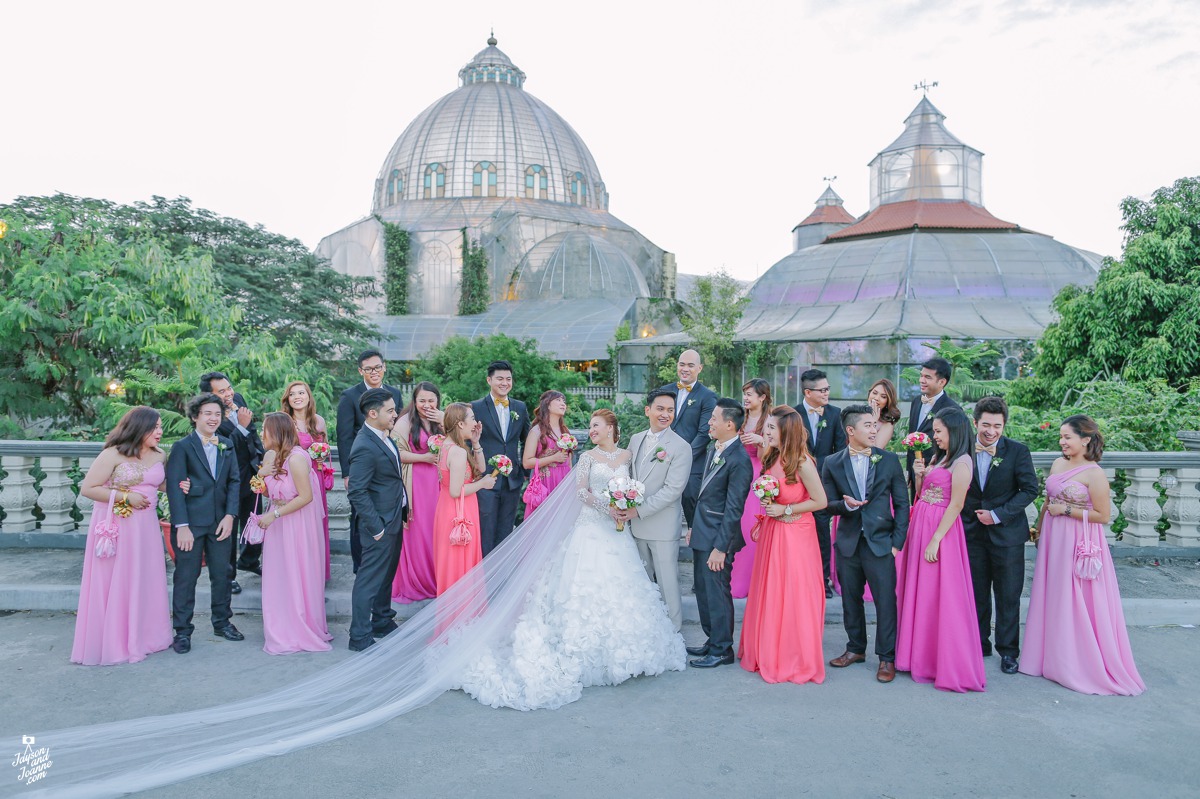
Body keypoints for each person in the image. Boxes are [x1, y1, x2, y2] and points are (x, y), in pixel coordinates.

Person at [457, 409, 686, 709]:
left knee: (623, 587)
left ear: (610, 428)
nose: (591, 431)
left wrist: (626, 503)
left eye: (596, 426)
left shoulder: (628, 456)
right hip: (590, 528)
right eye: (590, 426)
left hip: (618, 534)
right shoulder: (587, 458)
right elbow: (581, 492)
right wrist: (609, 506)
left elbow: (635, 488)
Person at [1020, 416, 1145, 695]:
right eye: (1061, 437)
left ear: (1085, 439)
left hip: (1079, 539)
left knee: (1075, 596)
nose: (1062, 442)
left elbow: (1103, 516)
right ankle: (1047, 656)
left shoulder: (1094, 473)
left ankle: (1074, 662)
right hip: (1053, 537)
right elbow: (1049, 501)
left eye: (1068, 437)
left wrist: (1065, 511)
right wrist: (1039, 528)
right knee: (1052, 593)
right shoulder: (1058, 463)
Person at [71, 406, 173, 665]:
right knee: (118, 578)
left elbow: (158, 483)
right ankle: (116, 640)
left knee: (145, 576)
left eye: (161, 427)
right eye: (155, 428)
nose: (160, 432)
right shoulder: (112, 454)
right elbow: (88, 489)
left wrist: (178, 485)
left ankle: (147, 637)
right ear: (139, 428)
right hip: (119, 524)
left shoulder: (161, 455)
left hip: (146, 528)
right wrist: (127, 496)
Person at [895, 407, 986, 692]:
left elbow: (956, 504)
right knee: (919, 590)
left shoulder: (962, 462)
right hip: (921, 521)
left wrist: (936, 539)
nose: (934, 436)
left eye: (938, 431)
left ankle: (940, 661)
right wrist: (919, 475)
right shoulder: (939, 457)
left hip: (941, 528)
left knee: (939, 593)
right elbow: (922, 493)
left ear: (954, 431)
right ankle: (916, 656)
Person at [739, 405, 829, 684]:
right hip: (772, 532)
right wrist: (769, 504)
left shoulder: (802, 462)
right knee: (770, 589)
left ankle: (792, 656)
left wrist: (786, 511)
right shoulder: (771, 456)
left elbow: (820, 501)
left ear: (785, 432)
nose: (765, 432)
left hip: (796, 534)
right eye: (765, 427)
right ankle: (766, 649)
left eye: (770, 429)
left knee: (793, 593)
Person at [821, 404, 910, 683]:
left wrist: (897, 542)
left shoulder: (889, 459)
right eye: (868, 426)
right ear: (850, 430)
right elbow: (825, 506)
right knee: (850, 599)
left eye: (875, 425)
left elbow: (902, 503)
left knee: (885, 601)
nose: (874, 430)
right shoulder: (832, 462)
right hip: (848, 543)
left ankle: (886, 657)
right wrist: (844, 505)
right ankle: (855, 648)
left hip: (881, 543)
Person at [164, 393, 245, 654]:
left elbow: (234, 481)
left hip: (221, 522)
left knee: (222, 574)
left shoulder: (227, 444)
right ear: (196, 416)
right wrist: (182, 526)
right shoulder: (182, 447)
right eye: (208, 413)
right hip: (191, 524)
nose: (213, 418)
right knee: (186, 577)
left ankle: (222, 622)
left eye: (218, 414)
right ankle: (183, 631)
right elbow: (175, 490)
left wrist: (231, 516)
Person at [962, 396, 1038, 674]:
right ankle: (979, 643)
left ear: (1004, 425)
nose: (990, 431)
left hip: (1007, 536)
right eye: (985, 425)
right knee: (977, 593)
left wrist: (997, 515)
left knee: (1008, 596)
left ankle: (1008, 652)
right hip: (971, 534)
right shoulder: (964, 450)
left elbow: (1030, 490)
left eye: (997, 426)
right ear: (975, 423)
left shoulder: (1018, 451)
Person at [254, 413, 332, 655]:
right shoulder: (269, 456)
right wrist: (260, 477)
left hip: (296, 524)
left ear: (276, 432)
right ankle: (280, 626)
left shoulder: (298, 458)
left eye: (264, 430)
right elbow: (269, 493)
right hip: (276, 526)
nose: (261, 434)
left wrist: (274, 515)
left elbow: (306, 497)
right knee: (278, 576)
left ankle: (301, 627)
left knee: (297, 573)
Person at [687, 398, 753, 669]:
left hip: (718, 539)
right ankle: (712, 639)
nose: (709, 422)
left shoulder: (739, 459)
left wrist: (721, 548)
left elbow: (734, 508)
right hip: (703, 532)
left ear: (729, 424)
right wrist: (694, 527)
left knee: (717, 593)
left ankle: (722, 649)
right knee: (703, 591)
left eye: (714, 418)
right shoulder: (717, 449)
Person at [623, 387, 693, 631]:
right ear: (648, 410)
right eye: (660, 409)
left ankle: (673, 634)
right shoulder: (635, 439)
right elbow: (629, 476)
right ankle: (649, 629)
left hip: (662, 526)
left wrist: (637, 511)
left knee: (667, 584)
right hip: (636, 526)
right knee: (643, 582)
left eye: (670, 410)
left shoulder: (681, 446)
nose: (665, 414)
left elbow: (673, 491)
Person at [346, 388, 409, 651]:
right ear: (373, 414)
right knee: (369, 579)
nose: (395, 414)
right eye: (391, 410)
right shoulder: (363, 445)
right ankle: (359, 635)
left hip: (394, 518)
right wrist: (377, 527)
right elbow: (357, 491)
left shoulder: (384, 438)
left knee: (386, 576)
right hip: (379, 525)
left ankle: (382, 620)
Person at [336, 349, 404, 573]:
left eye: (377, 367)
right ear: (360, 371)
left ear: (384, 367)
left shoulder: (394, 393)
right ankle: (360, 564)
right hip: (362, 465)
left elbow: (396, 429)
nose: (374, 372)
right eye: (368, 369)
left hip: (387, 464)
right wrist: (347, 473)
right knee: (360, 516)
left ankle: (387, 566)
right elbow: (344, 436)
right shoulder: (349, 396)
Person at [200, 371, 264, 594]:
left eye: (229, 388)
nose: (229, 394)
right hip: (226, 479)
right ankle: (227, 576)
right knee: (228, 527)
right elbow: (224, 446)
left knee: (254, 518)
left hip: (251, 473)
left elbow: (253, 434)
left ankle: (249, 560)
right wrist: (242, 426)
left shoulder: (238, 400)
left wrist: (262, 460)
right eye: (222, 391)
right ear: (210, 395)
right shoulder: (208, 415)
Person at [391, 382, 445, 603]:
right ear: (414, 401)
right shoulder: (405, 422)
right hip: (416, 483)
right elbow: (395, 453)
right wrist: (423, 457)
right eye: (422, 400)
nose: (426, 405)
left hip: (439, 483)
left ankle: (439, 576)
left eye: (431, 400)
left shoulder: (440, 420)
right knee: (420, 530)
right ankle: (418, 579)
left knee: (437, 529)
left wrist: (443, 420)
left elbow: (458, 442)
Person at [471, 360, 531, 555]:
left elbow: (527, 440)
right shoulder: (476, 407)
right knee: (485, 532)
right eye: (499, 379)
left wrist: (524, 472)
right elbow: (466, 441)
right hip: (485, 480)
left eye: (508, 379)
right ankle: (485, 581)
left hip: (512, 481)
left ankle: (504, 580)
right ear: (489, 380)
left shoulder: (520, 408)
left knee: (506, 532)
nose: (504, 383)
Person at [433, 403, 493, 595]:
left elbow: (481, 468)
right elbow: (455, 490)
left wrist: (476, 443)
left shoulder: (448, 446)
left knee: (453, 565)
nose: (475, 423)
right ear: (460, 424)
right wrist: (482, 484)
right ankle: (461, 617)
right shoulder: (457, 452)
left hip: (447, 510)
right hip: (459, 512)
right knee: (460, 566)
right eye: (472, 418)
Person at [799, 368, 846, 598]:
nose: (827, 393)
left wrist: (819, 466)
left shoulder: (835, 414)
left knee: (821, 532)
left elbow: (840, 451)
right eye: (823, 389)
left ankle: (823, 578)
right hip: (796, 483)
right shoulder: (793, 414)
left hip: (824, 483)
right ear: (808, 392)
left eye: (828, 389)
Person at [280, 380, 331, 581]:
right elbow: (277, 450)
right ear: (288, 399)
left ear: (309, 396)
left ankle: (317, 574)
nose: (297, 397)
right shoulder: (284, 421)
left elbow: (324, 447)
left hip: (315, 477)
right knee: (297, 527)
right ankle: (297, 574)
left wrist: (320, 455)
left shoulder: (318, 421)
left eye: (302, 393)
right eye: (293, 394)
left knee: (317, 525)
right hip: (294, 478)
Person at [662, 349, 718, 527]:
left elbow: (704, 434)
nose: (685, 368)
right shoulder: (664, 391)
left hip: (692, 462)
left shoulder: (707, 396)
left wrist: (682, 457)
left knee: (691, 503)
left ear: (699, 368)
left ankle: (695, 545)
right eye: (682, 364)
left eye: (690, 365)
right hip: (662, 457)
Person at [731, 378, 770, 599]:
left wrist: (761, 441)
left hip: (758, 474)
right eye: (744, 393)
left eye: (750, 394)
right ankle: (736, 579)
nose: (745, 398)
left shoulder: (770, 420)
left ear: (762, 397)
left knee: (751, 524)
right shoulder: (739, 416)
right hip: (737, 471)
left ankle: (755, 581)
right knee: (736, 522)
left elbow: (768, 459)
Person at [905, 357, 962, 494]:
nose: (921, 380)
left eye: (927, 377)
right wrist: (910, 470)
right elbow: (913, 436)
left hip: (938, 476)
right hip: (916, 471)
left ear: (942, 382)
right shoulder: (916, 402)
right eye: (921, 375)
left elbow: (955, 446)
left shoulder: (953, 410)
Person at [521, 390, 573, 518]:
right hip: (547, 481)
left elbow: (569, 461)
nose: (563, 404)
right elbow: (527, 462)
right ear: (547, 404)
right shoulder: (537, 431)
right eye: (558, 400)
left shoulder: (565, 432)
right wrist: (553, 458)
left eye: (564, 401)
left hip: (564, 480)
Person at [867, 378, 902, 449]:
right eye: (874, 393)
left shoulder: (887, 424)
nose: (876, 398)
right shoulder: (858, 413)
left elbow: (875, 449)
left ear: (888, 402)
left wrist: (873, 421)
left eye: (883, 397)